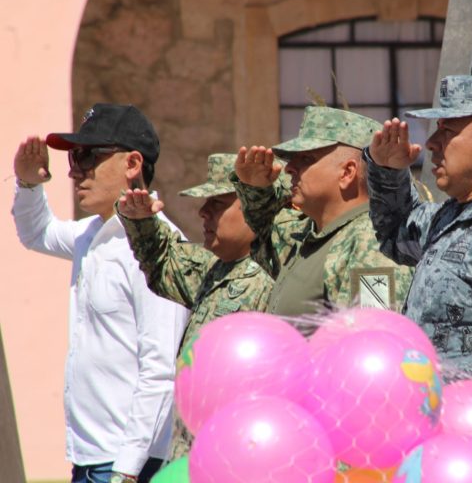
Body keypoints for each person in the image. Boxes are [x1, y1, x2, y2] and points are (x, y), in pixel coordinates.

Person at [12, 104, 187, 483]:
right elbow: (36, 233)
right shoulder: (92, 234)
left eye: (89, 155)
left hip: (130, 465)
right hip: (91, 459)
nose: (75, 171)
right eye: (74, 157)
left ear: (132, 163)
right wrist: (28, 184)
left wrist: (128, 467)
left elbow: (160, 369)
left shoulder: (158, 247)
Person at [364, 75, 472, 379]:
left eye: (447, 130)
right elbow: (396, 233)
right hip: (433, 415)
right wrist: (388, 170)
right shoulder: (451, 214)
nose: (431, 143)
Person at [116, 153, 275, 459]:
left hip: (239, 457)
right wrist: (142, 223)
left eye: (217, 202)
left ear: (254, 207)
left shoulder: (277, 274)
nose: (204, 212)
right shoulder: (216, 267)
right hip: (193, 454)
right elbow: (164, 261)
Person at [232, 106, 413, 316]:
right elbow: (263, 238)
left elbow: (371, 338)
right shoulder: (314, 236)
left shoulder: (372, 240)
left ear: (347, 173)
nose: (289, 168)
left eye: (306, 159)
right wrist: (256, 190)